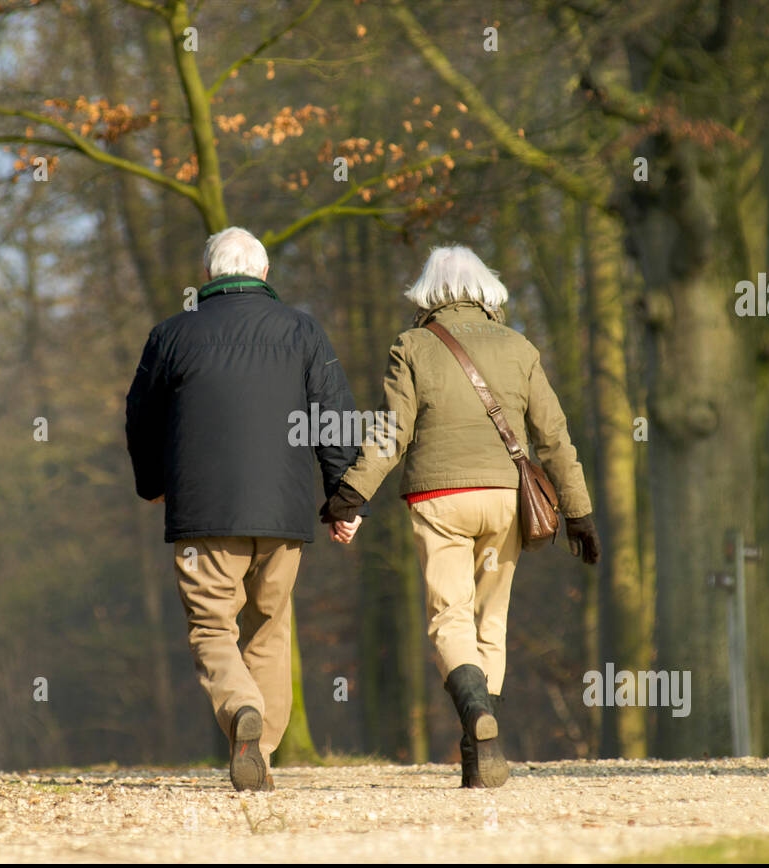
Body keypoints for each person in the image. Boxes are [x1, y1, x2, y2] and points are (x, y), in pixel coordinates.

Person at [320, 245, 598, 788]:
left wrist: (351, 494)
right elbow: (554, 437)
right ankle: (481, 752)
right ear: (486, 288)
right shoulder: (520, 347)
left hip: (438, 499)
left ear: (427, 293)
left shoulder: (414, 346)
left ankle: (475, 717)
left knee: (451, 616)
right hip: (505, 499)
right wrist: (579, 513)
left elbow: (391, 433)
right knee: (490, 621)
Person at [126, 226, 363, 792]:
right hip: (284, 514)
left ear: (208, 276)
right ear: (262, 274)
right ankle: (262, 749)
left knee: (212, 625)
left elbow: (140, 417)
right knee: (270, 629)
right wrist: (342, 500)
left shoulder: (171, 335)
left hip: (203, 515)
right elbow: (335, 416)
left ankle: (239, 713)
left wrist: (154, 484)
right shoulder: (303, 331)